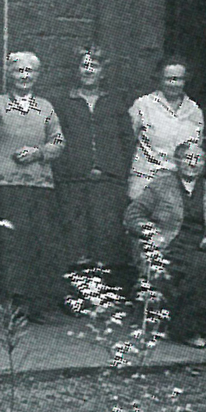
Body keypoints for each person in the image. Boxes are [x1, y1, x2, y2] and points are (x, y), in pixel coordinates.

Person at [124, 139, 206, 348]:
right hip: (169, 246)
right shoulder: (161, 186)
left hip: (200, 246)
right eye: (187, 158)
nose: (193, 163)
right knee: (199, 268)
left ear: (204, 163)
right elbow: (133, 214)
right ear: (177, 161)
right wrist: (151, 232)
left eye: (198, 159)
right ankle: (187, 330)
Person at [0, 51, 67, 321]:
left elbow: (58, 142)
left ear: (37, 76)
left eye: (29, 71)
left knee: (38, 243)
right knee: (10, 244)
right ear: (9, 74)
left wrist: (39, 152)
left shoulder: (46, 107)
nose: (24, 76)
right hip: (5, 185)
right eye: (19, 71)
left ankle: (35, 304)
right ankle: (9, 304)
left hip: (39, 185)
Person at [53, 45, 134, 284]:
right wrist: (67, 169)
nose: (89, 71)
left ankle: (105, 295)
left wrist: (116, 168)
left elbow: (127, 140)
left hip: (109, 182)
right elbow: (56, 137)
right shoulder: (64, 103)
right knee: (76, 238)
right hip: (73, 181)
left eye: (94, 66)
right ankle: (78, 295)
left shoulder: (115, 103)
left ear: (102, 72)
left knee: (107, 237)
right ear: (77, 70)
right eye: (84, 65)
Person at [128, 58, 204, 198]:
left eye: (179, 79)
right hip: (146, 182)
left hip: (178, 186)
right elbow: (127, 142)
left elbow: (195, 150)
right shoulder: (143, 105)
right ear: (160, 79)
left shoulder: (194, 111)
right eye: (169, 79)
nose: (174, 84)